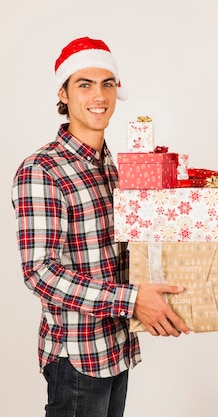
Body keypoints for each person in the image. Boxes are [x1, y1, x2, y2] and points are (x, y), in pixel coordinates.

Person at [11, 36, 190, 417]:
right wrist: (132, 300)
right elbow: (40, 273)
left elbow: (128, 254)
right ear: (63, 92)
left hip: (118, 348)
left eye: (108, 83)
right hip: (76, 357)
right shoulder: (42, 169)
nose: (99, 95)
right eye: (85, 84)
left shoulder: (117, 169)